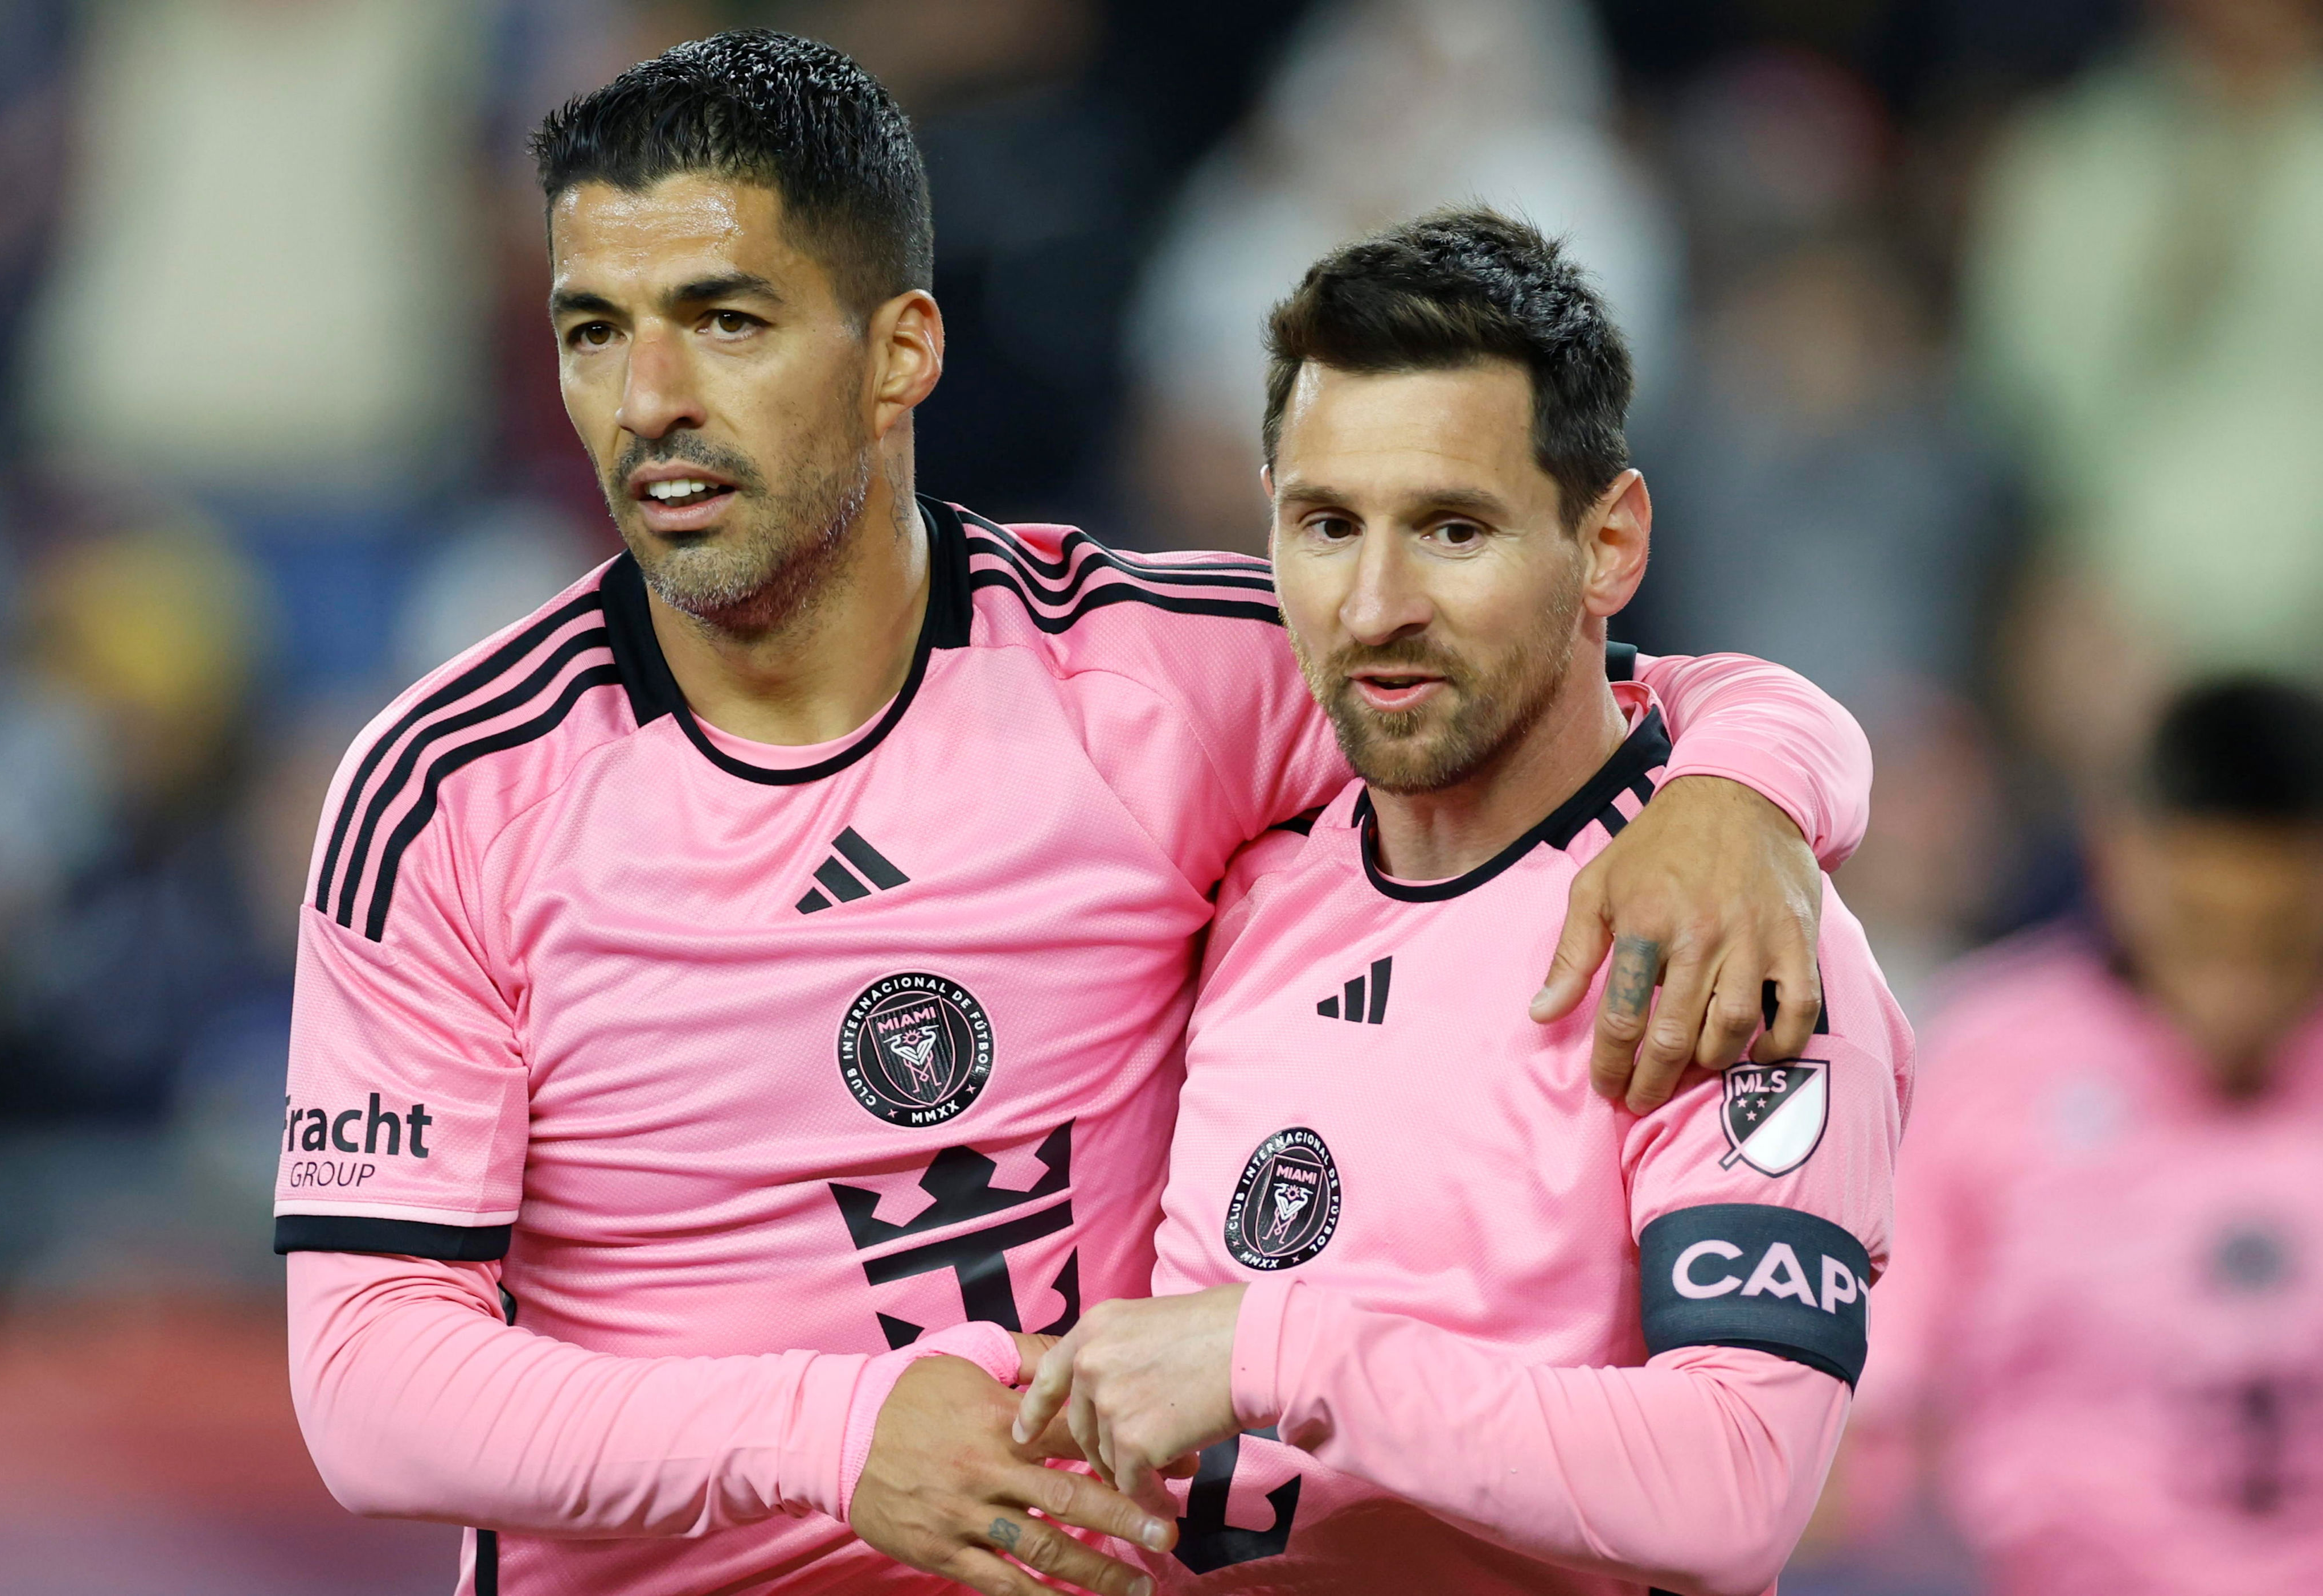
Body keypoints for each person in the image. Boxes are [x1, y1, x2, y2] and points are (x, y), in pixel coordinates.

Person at [275, 34, 1873, 1596]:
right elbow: (368, 1384)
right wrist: (834, 1435)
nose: (648, 400)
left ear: (901, 350)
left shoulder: (1161, 679)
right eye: (592, 331)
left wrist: (1745, 789)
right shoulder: (451, 794)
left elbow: (1566, 686)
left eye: (725, 321)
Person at [1013, 209, 1911, 1595]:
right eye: (1327, 525)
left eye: (1452, 528)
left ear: (1609, 543)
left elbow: (1735, 1485)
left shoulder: (1723, 929)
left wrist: (1274, 1351)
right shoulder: (1243, 874)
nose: (1375, 604)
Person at [1834, 678, 2323, 1595]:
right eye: (2201, 930)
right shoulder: (1979, 1058)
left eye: (2279, 941)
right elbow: (1867, 1414)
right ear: (2118, 858)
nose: (2237, 986)